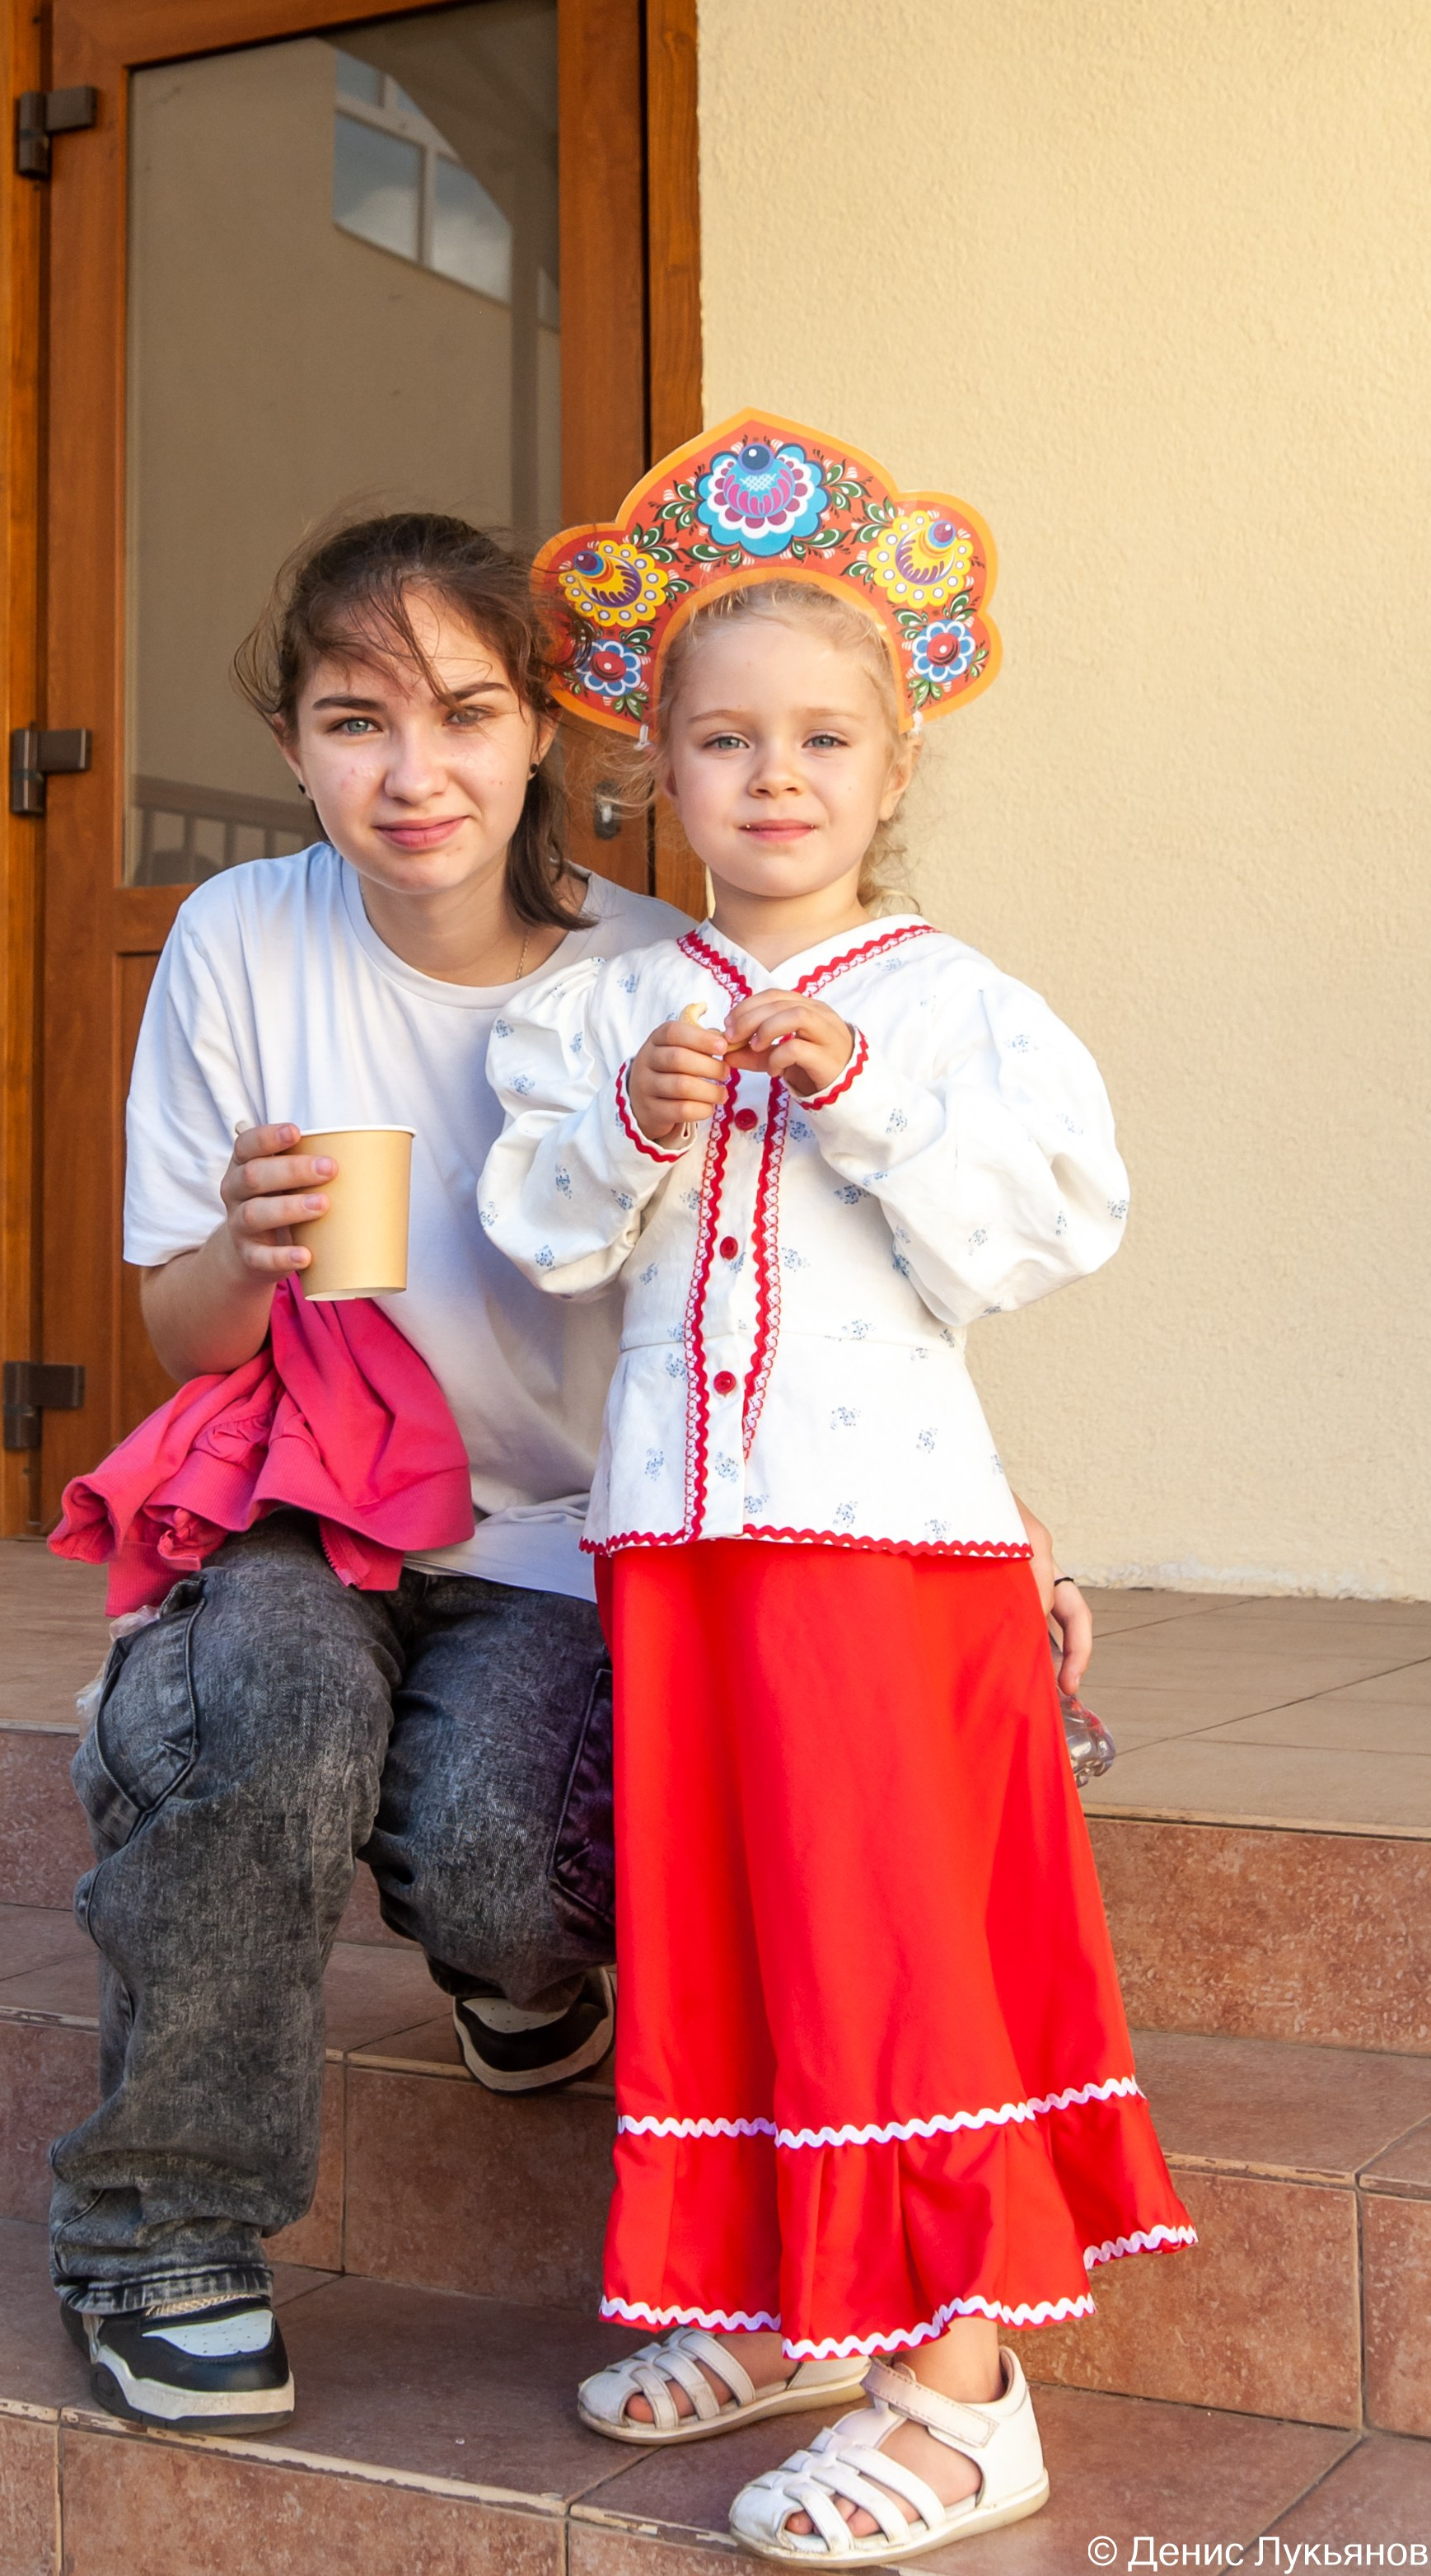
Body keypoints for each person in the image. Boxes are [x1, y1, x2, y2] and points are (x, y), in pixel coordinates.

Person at [49, 504, 1095, 2443]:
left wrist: (995, 1523)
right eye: (355, 720)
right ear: (293, 747)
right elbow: (180, 1336)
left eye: (461, 710)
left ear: (545, 730)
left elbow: (828, 1298)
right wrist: (246, 1249)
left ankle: (517, 1988)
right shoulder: (236, 937)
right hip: (326, 1508)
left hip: (560, 1540)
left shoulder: (652, 972)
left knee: (509, 1859)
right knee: (262, 1710)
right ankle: (161, 2232)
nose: (412, 768)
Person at [480, 417, 1191, 2564]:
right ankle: (803, 2303)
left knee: (882, 1945)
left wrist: (863, 1100)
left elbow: (1050, 1224)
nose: (771, 777)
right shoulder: (613, 1003)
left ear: (893, 771)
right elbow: (549, 1227)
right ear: (656, 775)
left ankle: (963, 2393)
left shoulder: (952, 1006)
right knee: (730, 1929)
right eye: (720, 740)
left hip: (885, 1555)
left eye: (818, 739)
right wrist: (631, 1125)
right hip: (686, 1546)